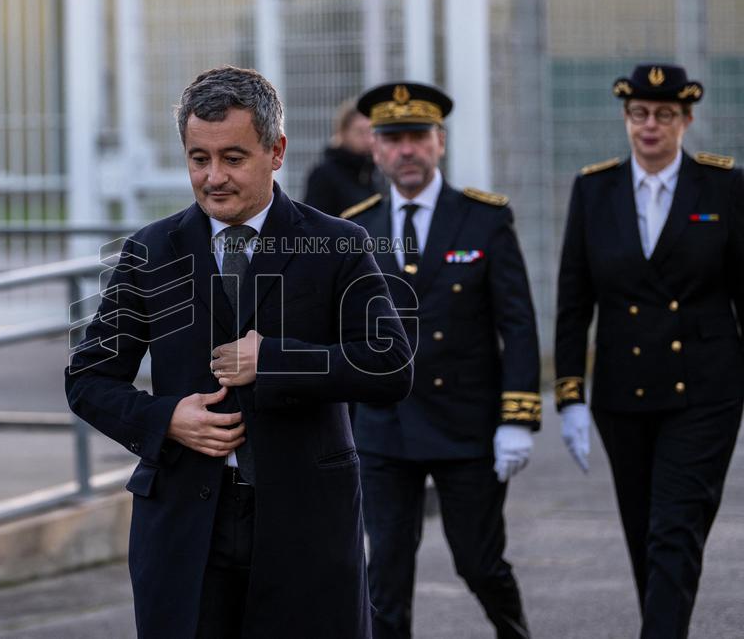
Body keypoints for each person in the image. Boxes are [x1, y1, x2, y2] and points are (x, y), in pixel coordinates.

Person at [66, 65, 413, 639]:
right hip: (183, 528)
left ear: (276, 151)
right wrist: (165, 418)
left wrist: (274, 360)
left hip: (306, 525)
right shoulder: (150, 251)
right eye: (198, 159)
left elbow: (390, 364)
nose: (213, 178)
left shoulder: (337, 244)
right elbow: (88, 380)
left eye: (233, 158)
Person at [344, 81, 541, 639]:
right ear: (376, 149)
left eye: (418, 137)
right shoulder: (355, 227)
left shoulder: (483, 219)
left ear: (440, 142)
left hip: (466, 427)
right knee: (384, 572)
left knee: (479, 563)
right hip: (384, 429)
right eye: (392, 138)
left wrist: (517, 418)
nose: (406, 149)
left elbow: (518, 324)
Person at [555, 63, 744, 639]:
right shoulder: (595, 189)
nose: (650, 127)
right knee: (645, 533)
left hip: (705, 389)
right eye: (639, 114)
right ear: (626, 119)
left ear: (686, 121)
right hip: (623, 390)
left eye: (664, 115)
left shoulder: (725, 187)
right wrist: (570, 395)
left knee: (675, 529)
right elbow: (573, 300)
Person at [304, 98, 385, 216]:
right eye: (360, 132)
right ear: (343, 133)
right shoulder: (324, 175)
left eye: (371, 132)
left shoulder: (376, 172)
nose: (368, 139)